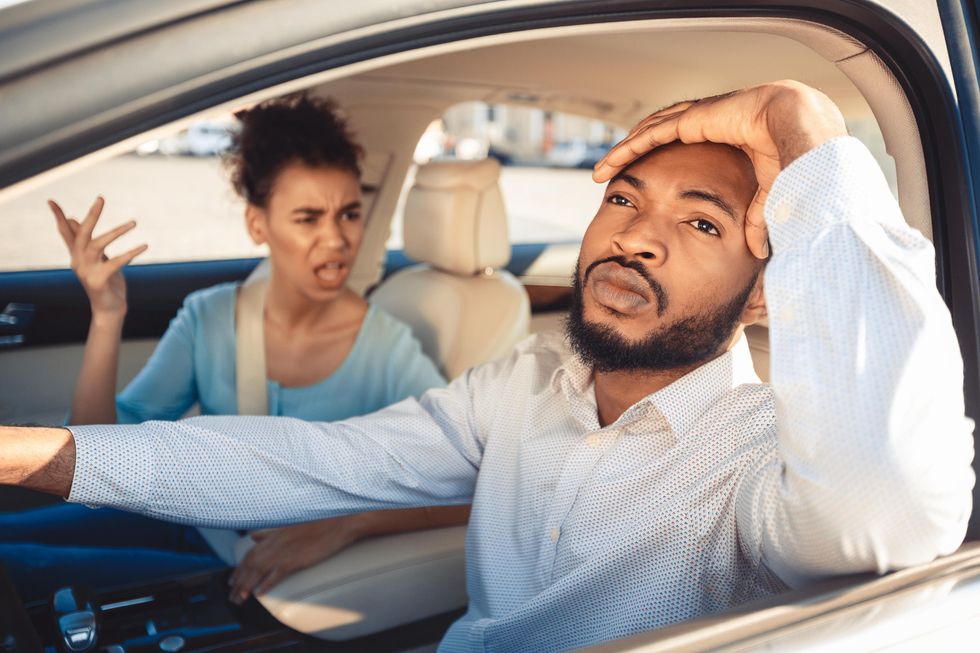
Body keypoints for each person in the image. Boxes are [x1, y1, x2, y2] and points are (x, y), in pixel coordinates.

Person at [1, 80, 974, 652]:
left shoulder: (759, 463)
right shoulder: (521, 380)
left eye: (700, 221)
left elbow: (888, 501)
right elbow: (306, 459)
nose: (636, 238)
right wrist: (27, 452)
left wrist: (800, 123)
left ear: (762, 293)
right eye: (624, 199)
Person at [0, 93, 469, 605]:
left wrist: (349, 523)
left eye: (350, 214)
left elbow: (466, 478)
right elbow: (100, 449)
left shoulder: (387, 347)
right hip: (186, 516)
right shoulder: (210, 316)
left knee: (22, 567)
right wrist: (107, 314)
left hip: (251, 571)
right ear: (257, 224)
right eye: (308, 218)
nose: (336, 239)